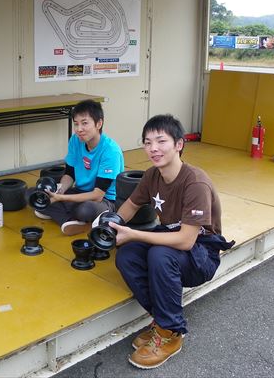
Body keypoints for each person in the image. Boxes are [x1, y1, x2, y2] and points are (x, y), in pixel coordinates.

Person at [108, 114, 234, 369]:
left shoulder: (195, 182)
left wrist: (133, 233)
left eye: (161, 141)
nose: (153, 148)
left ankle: (171, 332)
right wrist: (113, 223)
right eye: (147, 142)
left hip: (202, 252)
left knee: (159, 254)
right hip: (171, 237)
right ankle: (162, 321)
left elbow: (186, 241)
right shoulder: (152, 176)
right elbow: (131, 204)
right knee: (127, 255)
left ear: (179, 144)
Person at [34, 99, 124, 236]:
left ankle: (66, 215)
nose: (79, 129)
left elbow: (97, 195)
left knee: (84, 210)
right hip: (80, 191)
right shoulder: (75, 140)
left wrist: (61, 199)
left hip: (105, 200)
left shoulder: (110, 150)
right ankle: (72, 221)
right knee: (34, 195)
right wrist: (60, 190)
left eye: (84, 123)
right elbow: (69, 174)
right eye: (76, 124)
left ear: (99, 124)